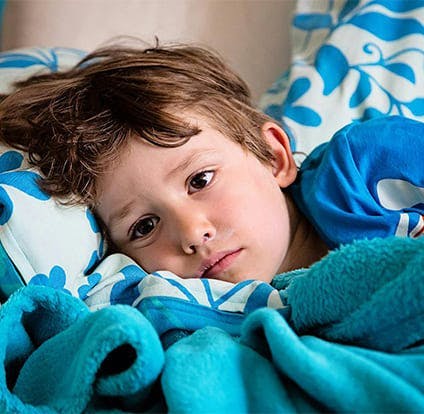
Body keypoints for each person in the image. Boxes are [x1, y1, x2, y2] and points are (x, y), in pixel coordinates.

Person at [0, 43, 422, 286]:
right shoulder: (194, 316)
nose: (191, 234)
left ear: (273, 157)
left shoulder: (361, 167)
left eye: (200, 180)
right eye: (144, 227)